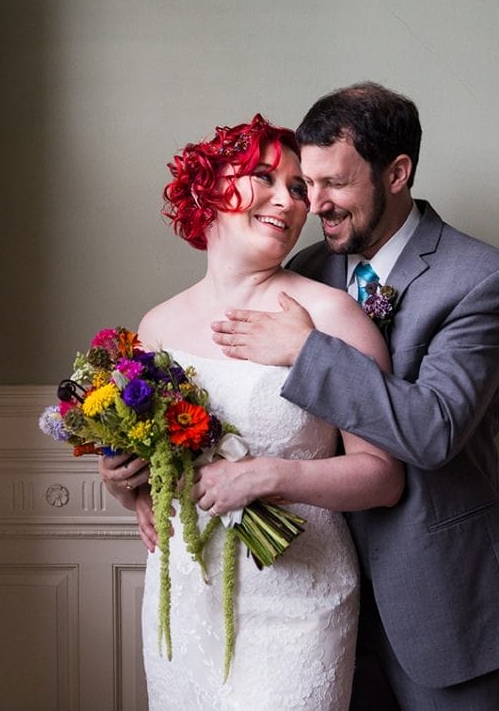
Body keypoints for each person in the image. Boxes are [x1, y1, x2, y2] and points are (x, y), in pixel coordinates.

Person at [207, 82, 499, 709]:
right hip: (313, 598)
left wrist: (310, 352)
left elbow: (434, 430)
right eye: (307, 185)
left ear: (397, 173)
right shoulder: (306, 271)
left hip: (443, 598)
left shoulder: (483, 279)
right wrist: (139, 481)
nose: (316, 205)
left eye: (334, 184)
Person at [101, 115, 404, 709]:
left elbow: (384, 477)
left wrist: (268, 476)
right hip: (186, 597)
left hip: (296, 601)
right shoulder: (158, 325)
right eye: (262, 177)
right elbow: (154, 459)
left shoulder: (333, 316)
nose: (287, 200)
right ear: (206, 191)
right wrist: (128, 489)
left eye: (298, 189)